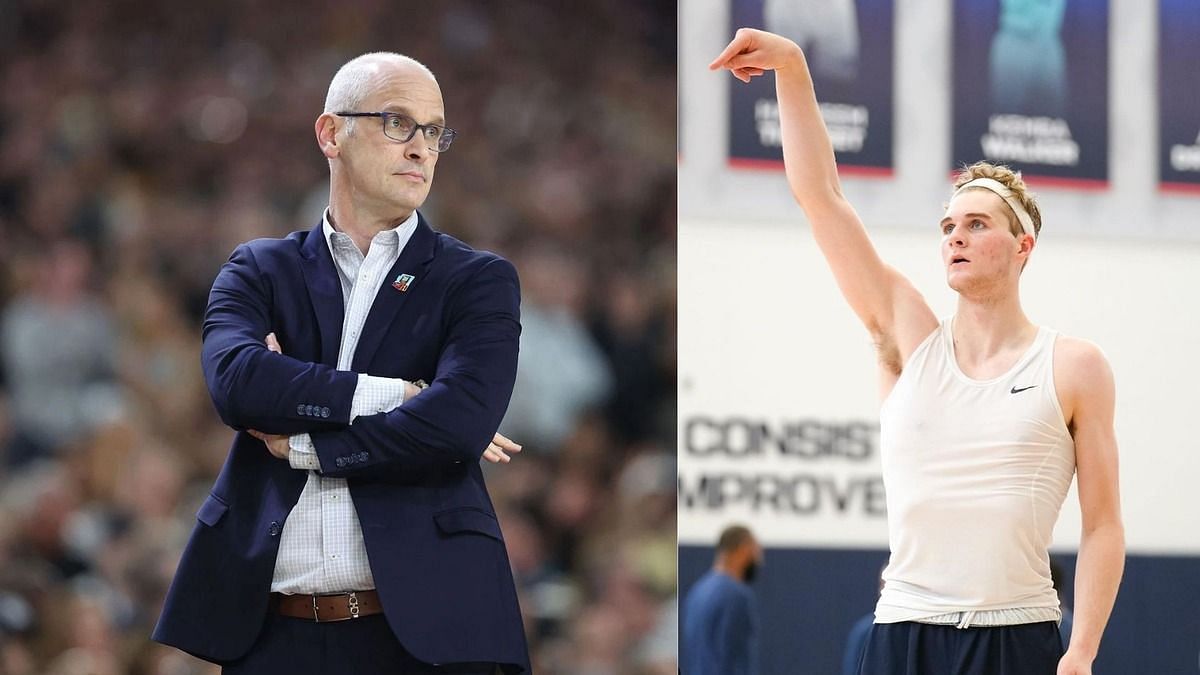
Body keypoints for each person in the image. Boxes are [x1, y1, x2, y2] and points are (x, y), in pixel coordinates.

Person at [711, 29, 1124, 675]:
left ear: (1022, 248)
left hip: (1015, 635)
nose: (956, 236)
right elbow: (822, 199)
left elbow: (1102, 525)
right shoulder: (908, 336)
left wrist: (1082, 653)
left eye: (977, 224)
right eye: (949, 227)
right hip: (902, 629)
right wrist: (792, 67)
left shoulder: (1074, 365)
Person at [152, 52, 530, 674]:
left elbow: (461, 420)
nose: (421, 149)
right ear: (331, 133)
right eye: (397, 123)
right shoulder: (258, 268)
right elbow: (239, 385)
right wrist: (401, 396)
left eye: (434, 131)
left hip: (427, 633)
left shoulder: (477, 279)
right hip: (272, 635)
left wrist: (307, 447)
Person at [680, 524, 763, 675]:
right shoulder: (736, 596)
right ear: (743, 550)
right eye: (756, 552)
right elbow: (732, 657)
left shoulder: (696, 592)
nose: (759, 560)